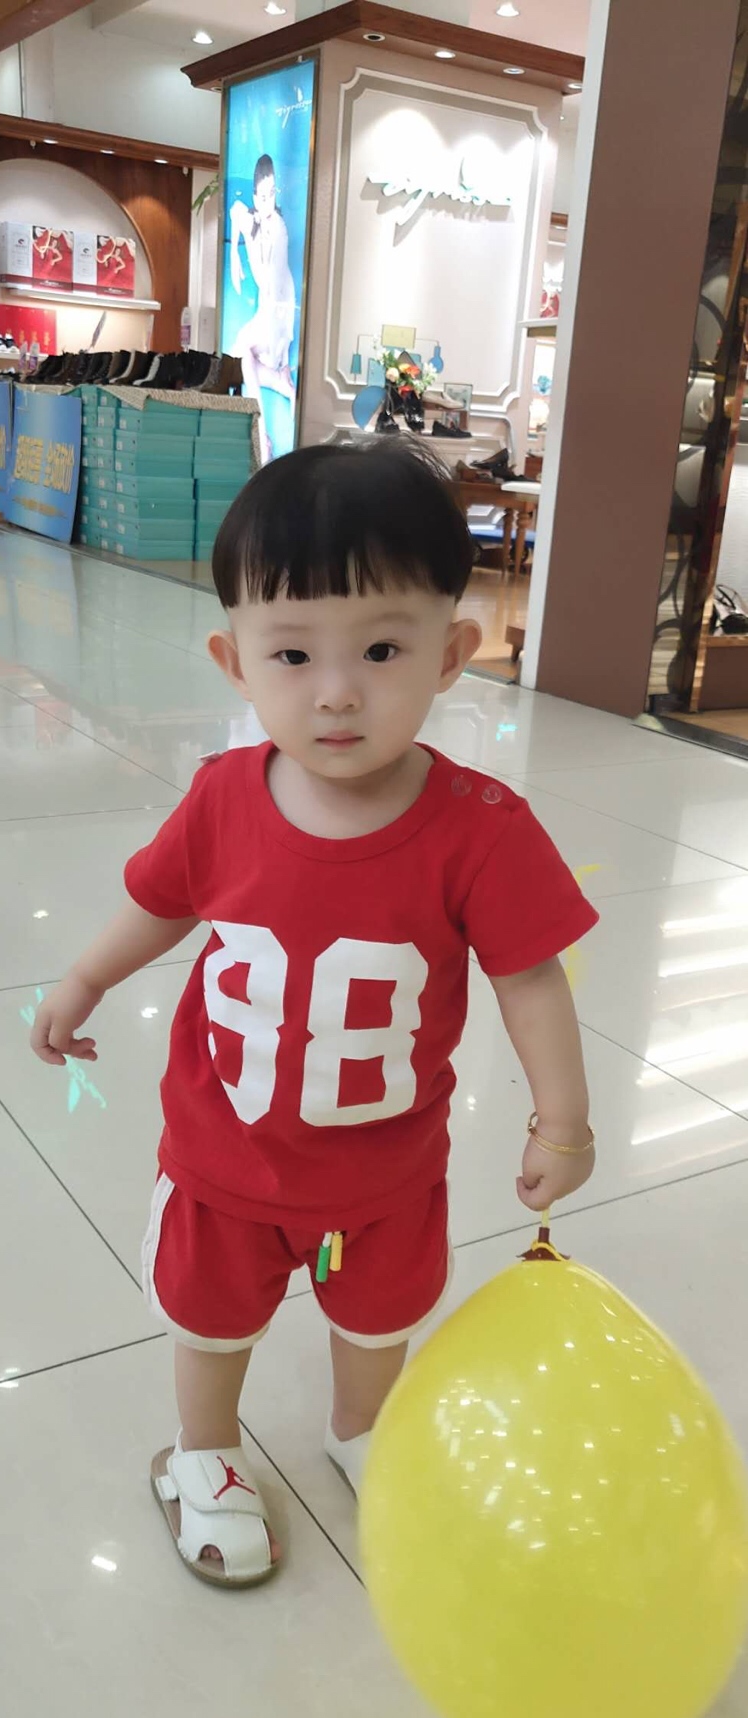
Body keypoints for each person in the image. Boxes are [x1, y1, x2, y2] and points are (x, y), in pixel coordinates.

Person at [31, 441, 598, 1590]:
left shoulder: (482, 829)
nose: (336, 691)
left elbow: (531, 979)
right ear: (235, 660)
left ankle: (362, 1431)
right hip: (225, 1161)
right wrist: (84, 979)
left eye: (381, 650)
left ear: (452, 653)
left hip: (387, 1170)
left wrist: (563, 1121)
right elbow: (160, 903)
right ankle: (204, 1451)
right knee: (213, 1318)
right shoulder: (222, 800)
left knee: (379, 1316)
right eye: (292, 653)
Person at [229, 154, 297, 464]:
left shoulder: (278, 229)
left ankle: (261, 432)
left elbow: (274, 283)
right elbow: (235, 211)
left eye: (272, 194)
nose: (267, 202)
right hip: (266, 308)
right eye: (262, 196)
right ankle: (278, 387)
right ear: (255, 196)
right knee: (242, 357)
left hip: (278, 311)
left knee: (241, 351)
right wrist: (235, 251)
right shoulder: (251, 218)